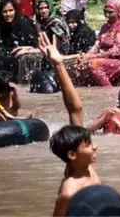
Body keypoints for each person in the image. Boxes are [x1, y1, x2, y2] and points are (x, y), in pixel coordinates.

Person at [37, 32, 101, 217]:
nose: (95, 145)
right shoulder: (69, 192)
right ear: (72, 154)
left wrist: (59, 64)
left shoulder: (86, 167)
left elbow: (75, 109)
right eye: (88, 145)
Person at [76, 0, 120, 87]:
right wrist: (86, 56)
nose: (107, 15)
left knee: (93, 63)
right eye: (105, 11)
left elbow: (116, 51)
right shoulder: (105, 27)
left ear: (118, 12)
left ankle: (108, 91)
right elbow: (97, 45)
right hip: (106, 60)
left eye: (110, 12)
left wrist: (91, 57)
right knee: (79, 64)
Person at [0, 0, 38, 81]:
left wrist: (27, 48)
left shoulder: (23, 23)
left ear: (15, 10)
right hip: (8, 53)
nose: (8, 14)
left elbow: (35, 44)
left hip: (23, 55)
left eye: (11, 10)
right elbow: (5, 45)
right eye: (5, 11)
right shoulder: (2, 25)